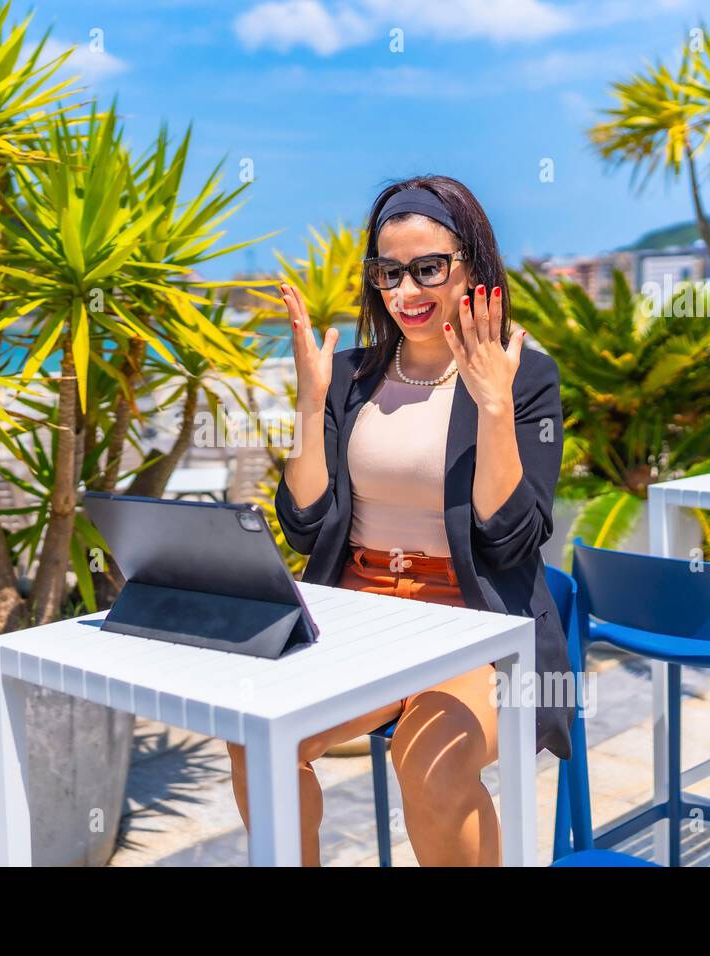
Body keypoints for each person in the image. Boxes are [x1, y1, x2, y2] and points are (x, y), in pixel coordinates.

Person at [226, 175, 572, 866]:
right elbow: (303, 524)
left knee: (430, 761)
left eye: (428, 269)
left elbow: (511, 537)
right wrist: (310, 404)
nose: (406, 293)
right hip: (359, 614)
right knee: (258, 735)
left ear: (473, 266)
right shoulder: (350, 376)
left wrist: (495, 409)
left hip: (479, 628)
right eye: (388, 273)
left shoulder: (522, 374)